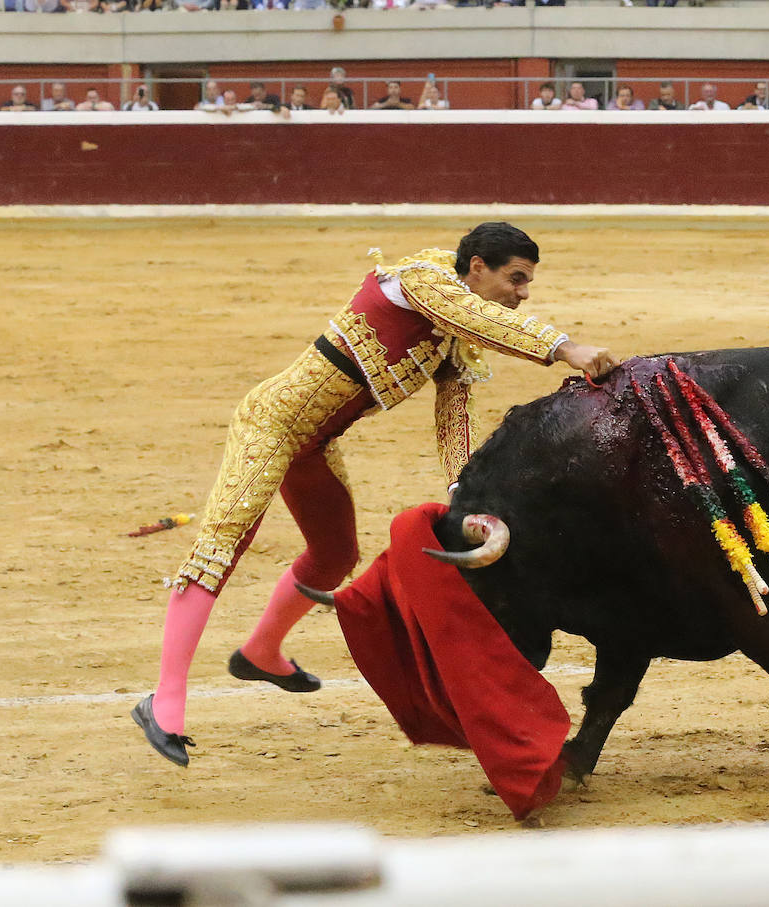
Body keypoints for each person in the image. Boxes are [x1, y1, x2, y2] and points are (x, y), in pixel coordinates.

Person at [131, 223, 624, 768]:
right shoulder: (422, 279)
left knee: (335, 555)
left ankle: (260, 652)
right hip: (269, 426)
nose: (522, 293)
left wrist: (464, 491)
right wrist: (564, 347)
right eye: (516, 278)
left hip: (314, 444)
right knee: (219, 544)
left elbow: (453, 416)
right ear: (478, 266)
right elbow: (480, 319)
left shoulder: (453, 330)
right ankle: (165, 700)